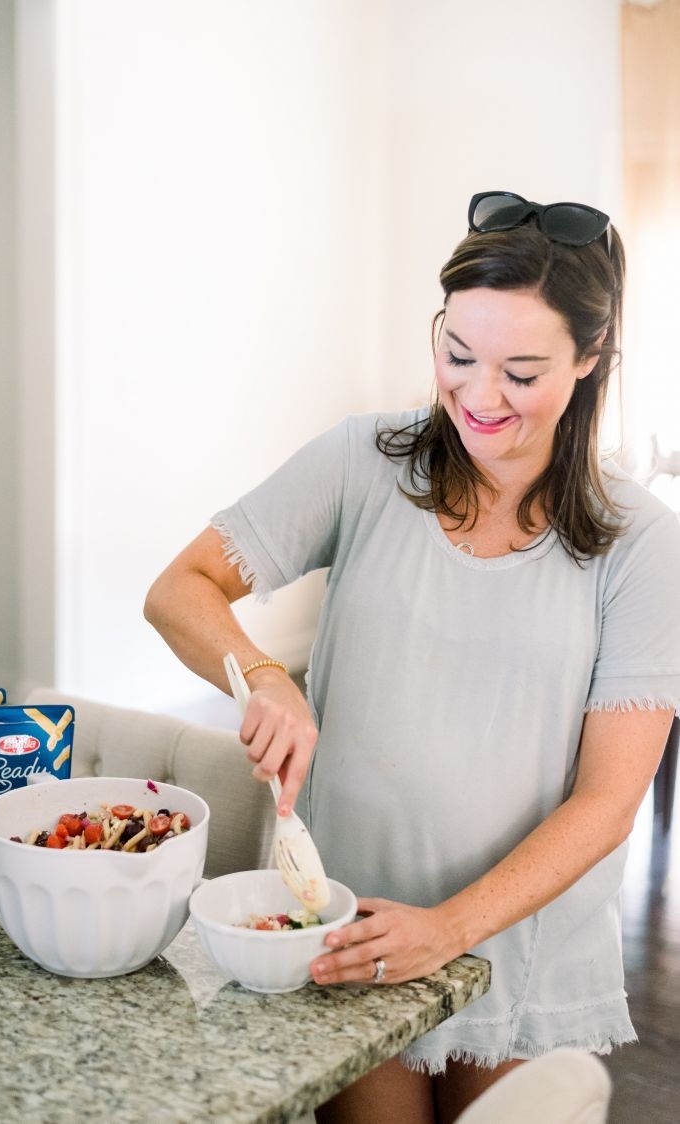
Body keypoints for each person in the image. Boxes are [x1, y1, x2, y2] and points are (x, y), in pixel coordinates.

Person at [144, 190, 680, 1123]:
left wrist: (450, 930)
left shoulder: (641, 543)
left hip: (518, 934)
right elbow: (180, 587)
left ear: (593, 360)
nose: (478, 396)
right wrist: (265, 675)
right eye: (457, 354)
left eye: (521, 371)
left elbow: (608, 802)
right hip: (347, 912)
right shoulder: (362, 463)